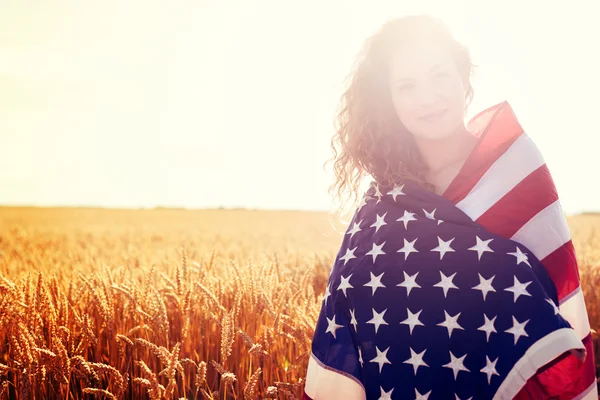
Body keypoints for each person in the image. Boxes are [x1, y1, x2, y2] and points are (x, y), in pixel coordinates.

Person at [303, 14, 597, 399]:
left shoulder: (514, 164)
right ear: (389, 101)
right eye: (406, 86)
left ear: (463, 78)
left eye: (439, 76)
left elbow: (556, 285)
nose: (427, 98)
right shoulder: (386, 196)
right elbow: (351, 309)